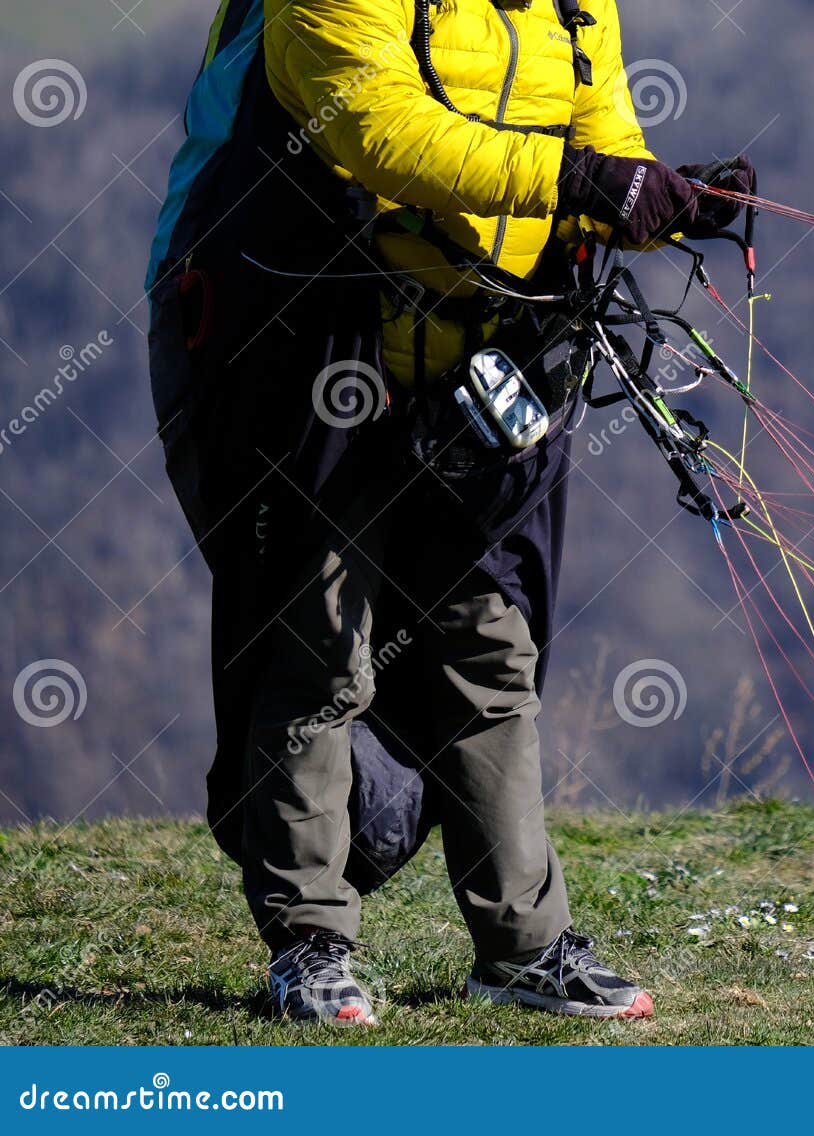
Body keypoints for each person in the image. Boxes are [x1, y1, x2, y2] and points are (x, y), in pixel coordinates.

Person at [145, 0, 753, 1026]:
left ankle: (523, 945)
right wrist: (577, 181)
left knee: (490, 641)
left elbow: (597, 133)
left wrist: (659, 196)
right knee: (318, 642)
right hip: (312, 347)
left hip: (485, 355)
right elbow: (378, 126)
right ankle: (311, 943)